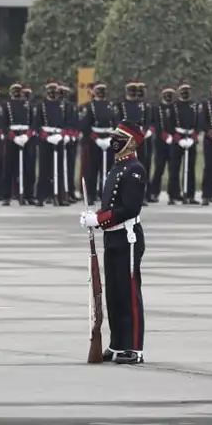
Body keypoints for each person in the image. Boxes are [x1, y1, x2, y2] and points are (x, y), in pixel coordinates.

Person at [79, 120, 146, 365]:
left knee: (129, 294)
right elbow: (111, 205)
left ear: (131, 142)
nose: (114, 139)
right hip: (113, 236)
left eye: (120, 136)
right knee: (114, 294)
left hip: (127, 237)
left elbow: (129, 208)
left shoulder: (135, 169)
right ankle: (118, 344)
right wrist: (96, 217)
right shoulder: (117, 168)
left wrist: (99, 219)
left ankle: (135, 348)